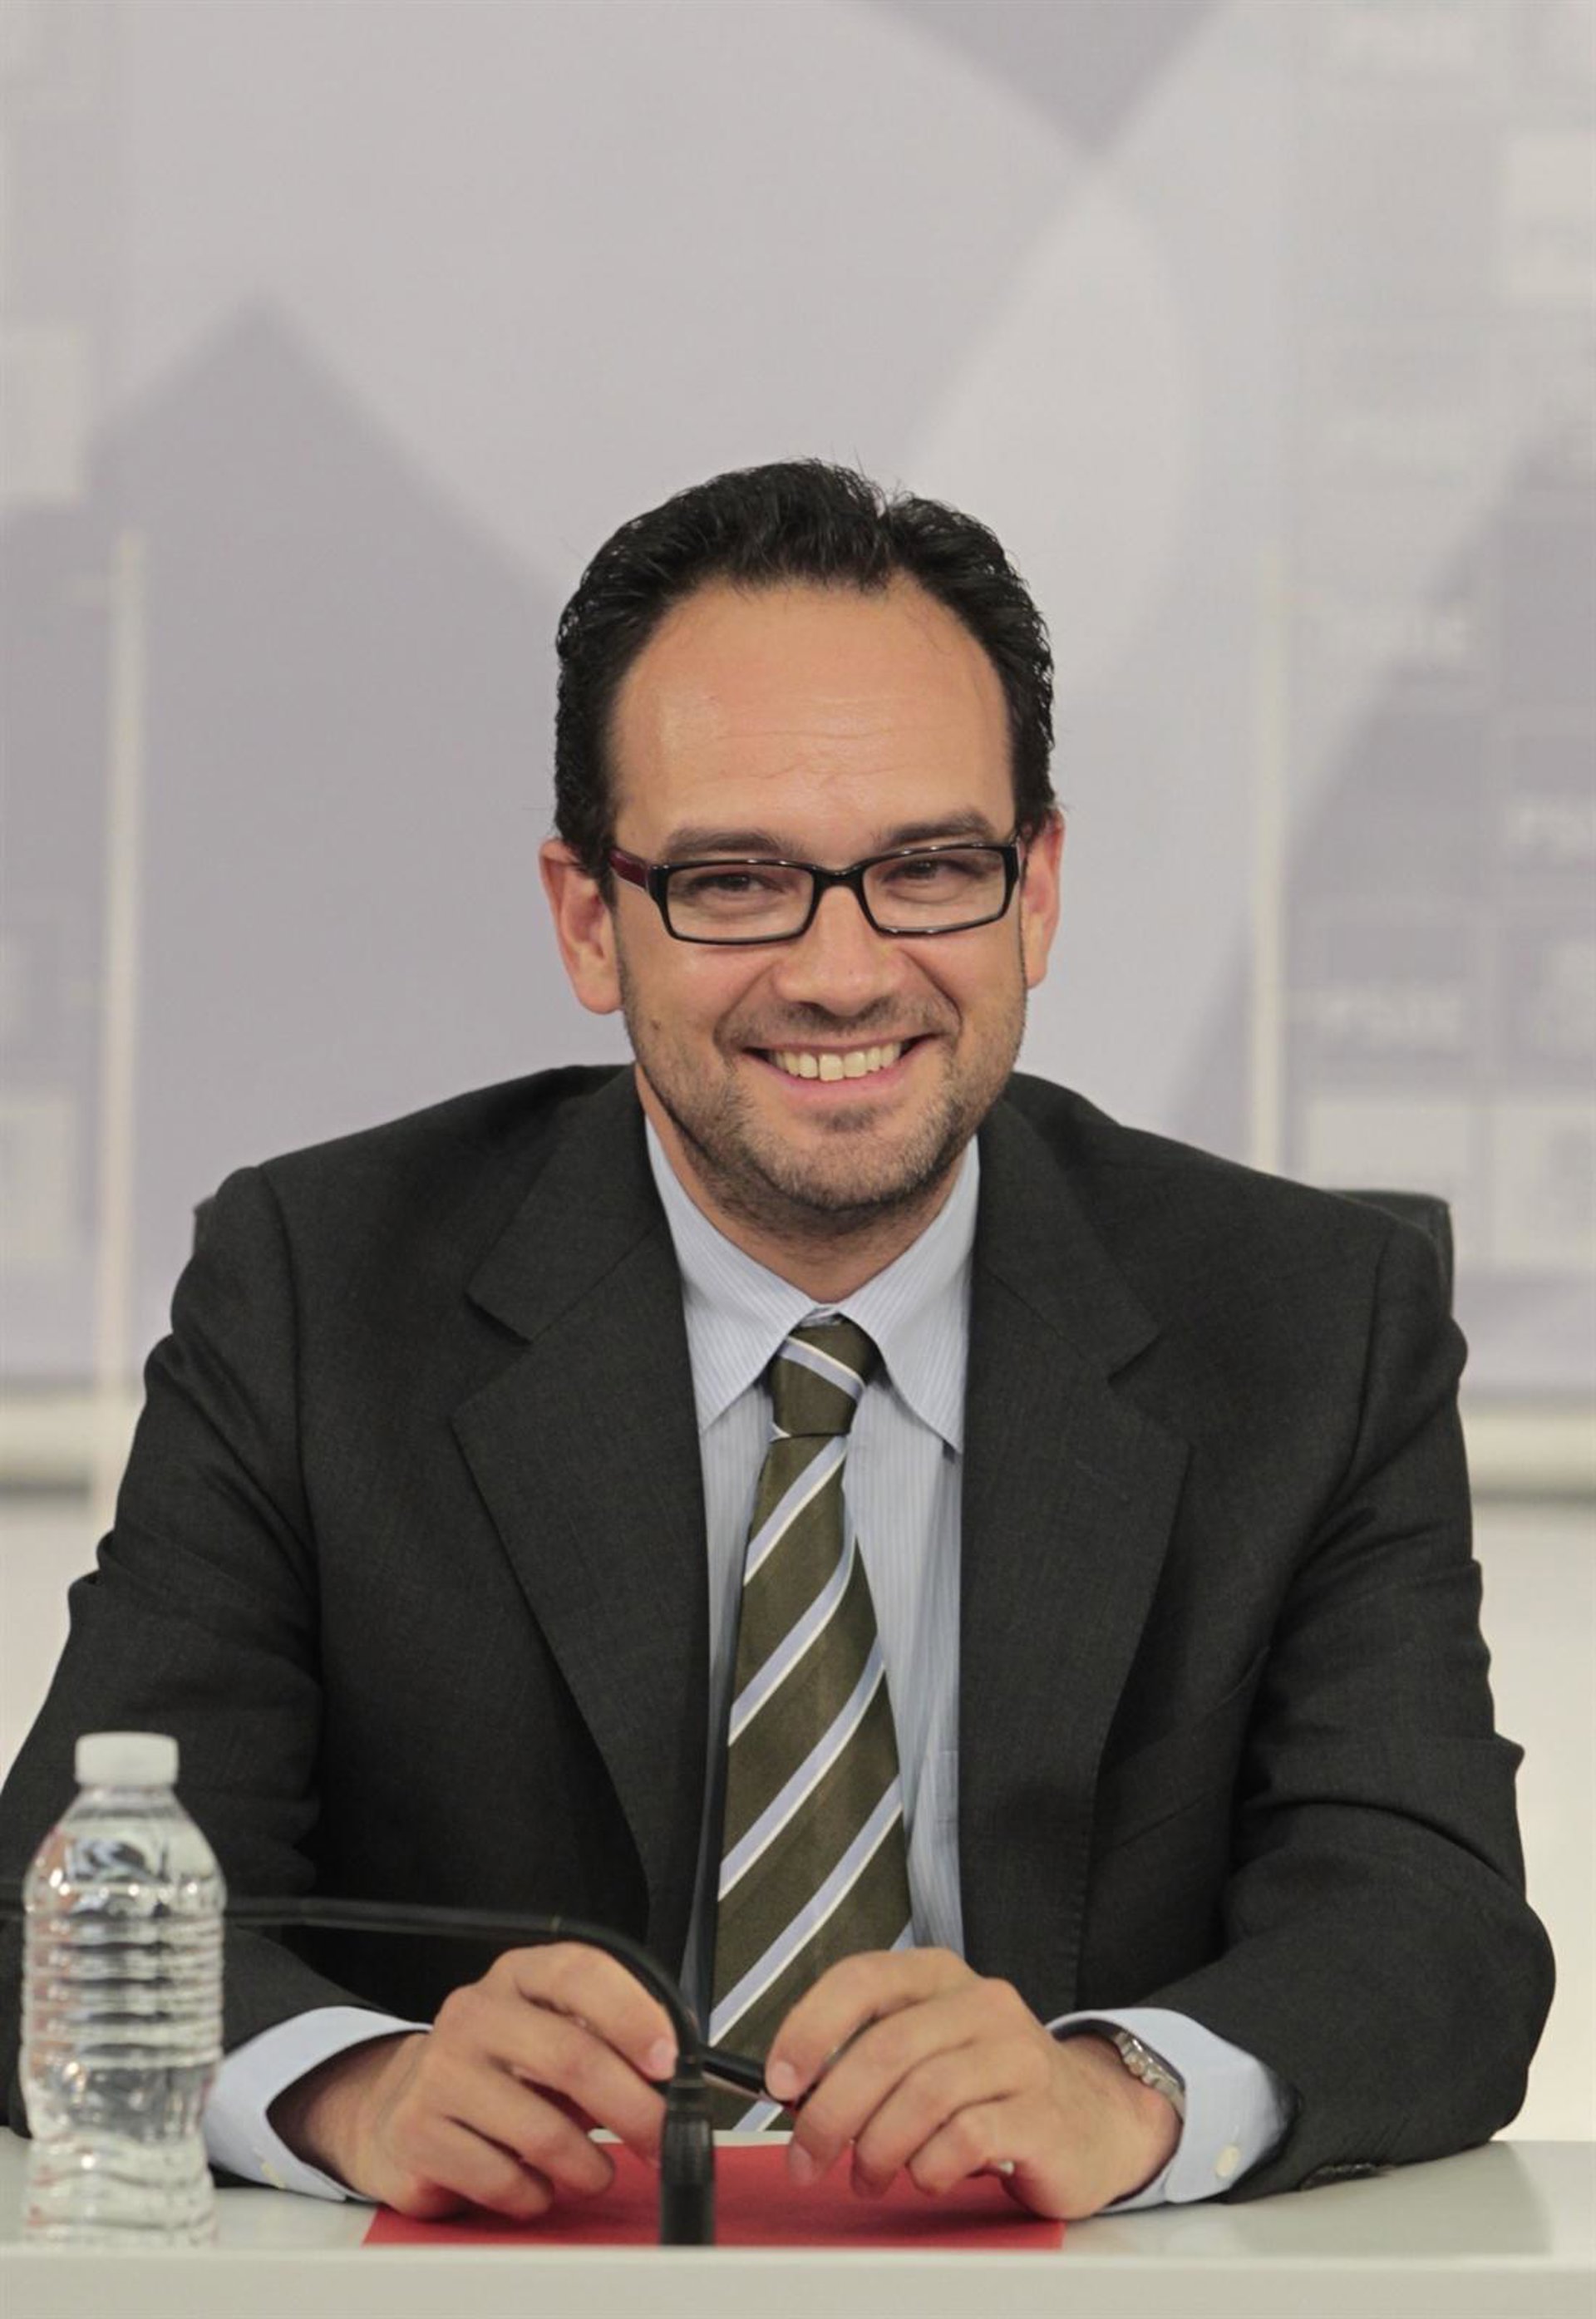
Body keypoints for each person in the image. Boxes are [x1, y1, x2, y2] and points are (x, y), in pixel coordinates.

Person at [0, 462, 1552, 2225]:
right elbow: (55, 1900)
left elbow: (1433, 1925)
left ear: (1037, 890)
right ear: (589, 917)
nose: (842, 972)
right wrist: (359, 2087)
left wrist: (1123, 2092)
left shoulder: (1313, 1321)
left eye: (931, 868)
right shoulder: (317, 1292)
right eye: (736, 881)